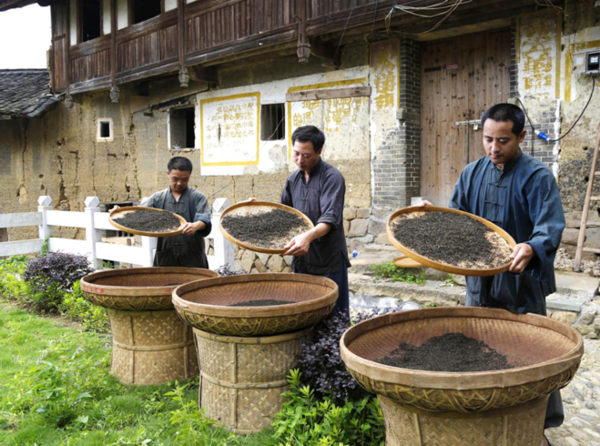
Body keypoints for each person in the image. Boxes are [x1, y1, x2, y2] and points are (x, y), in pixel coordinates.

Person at [424, 103, 565, 446]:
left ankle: (534, 430)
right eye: (488, 139)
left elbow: (550, 226)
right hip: (480, 281)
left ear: (521, 136)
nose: (494, 148)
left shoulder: (537, 176)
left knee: (528, 357)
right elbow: (458, 218)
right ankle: (486, 425)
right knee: (479, 346)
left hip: (522, 282)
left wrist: (532, 247)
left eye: (503, 140)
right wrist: (435, 217)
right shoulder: (472, 173)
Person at [281, 125, 350, 316]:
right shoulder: (292, 180)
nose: (299, 160)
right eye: (296, 153)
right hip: (303, 260)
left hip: (328, 259)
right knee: (305, 315)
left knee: (333, 316)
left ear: (319, 151)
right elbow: (283, 215)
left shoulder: (332, 177)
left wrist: (308, 237)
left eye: (306, 155)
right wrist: (255, 209)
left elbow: (330, 217)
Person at [143, 156, 212, 268]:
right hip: (166, 257)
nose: (179, 183)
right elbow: (138, 214)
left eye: (184, 179)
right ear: (168, 174)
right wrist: (119, 211)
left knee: (195, 285)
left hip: (193, 257)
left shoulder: (198, 197)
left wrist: (195, 226)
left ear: (189, 176)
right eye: (175, 179)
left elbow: (204, 218)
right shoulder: (157, 198)